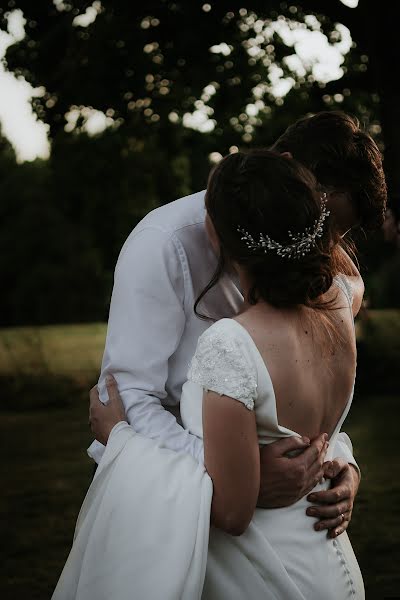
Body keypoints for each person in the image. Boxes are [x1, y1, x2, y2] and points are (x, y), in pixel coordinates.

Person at [54, 150, 366, 599]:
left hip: (255, 570)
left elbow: (234, 510)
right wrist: (264, 470)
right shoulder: (338, 302)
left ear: (214, 233)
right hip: (326, 562)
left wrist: (121, 437)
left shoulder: (229, 342)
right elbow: (308, 419)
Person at [87, 111, 386, 528]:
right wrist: (242, 476)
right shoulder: (163, 245)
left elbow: (307, 392)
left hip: (291, 516)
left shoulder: (326, 273)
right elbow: (125, 400)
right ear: (286, 167)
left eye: (337, 233)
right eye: (325, 222)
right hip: (175, 512)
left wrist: (343, 465)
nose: (322, 244)